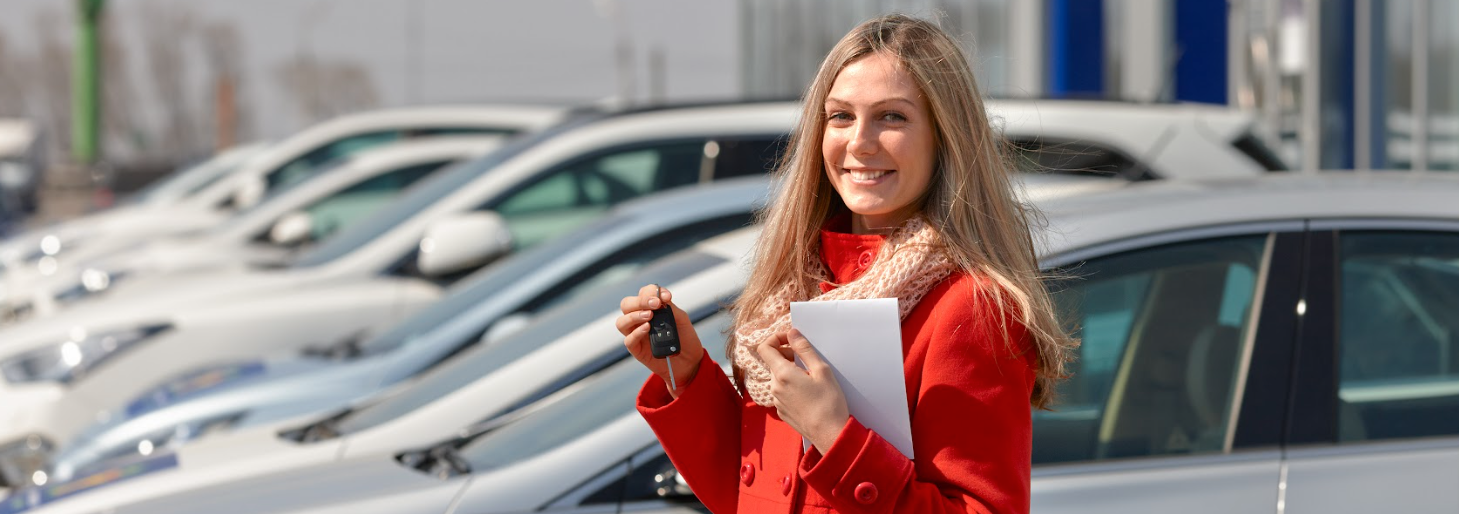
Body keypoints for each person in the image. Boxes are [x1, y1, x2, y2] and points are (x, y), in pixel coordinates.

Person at [615, 14, 1076, 514]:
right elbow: (751, 497)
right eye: (840, 116)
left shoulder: (972, 305)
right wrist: (685, 375)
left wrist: (835, 437)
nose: (859, 142)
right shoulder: (795, 285)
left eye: (892, 117)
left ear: (946, 136)